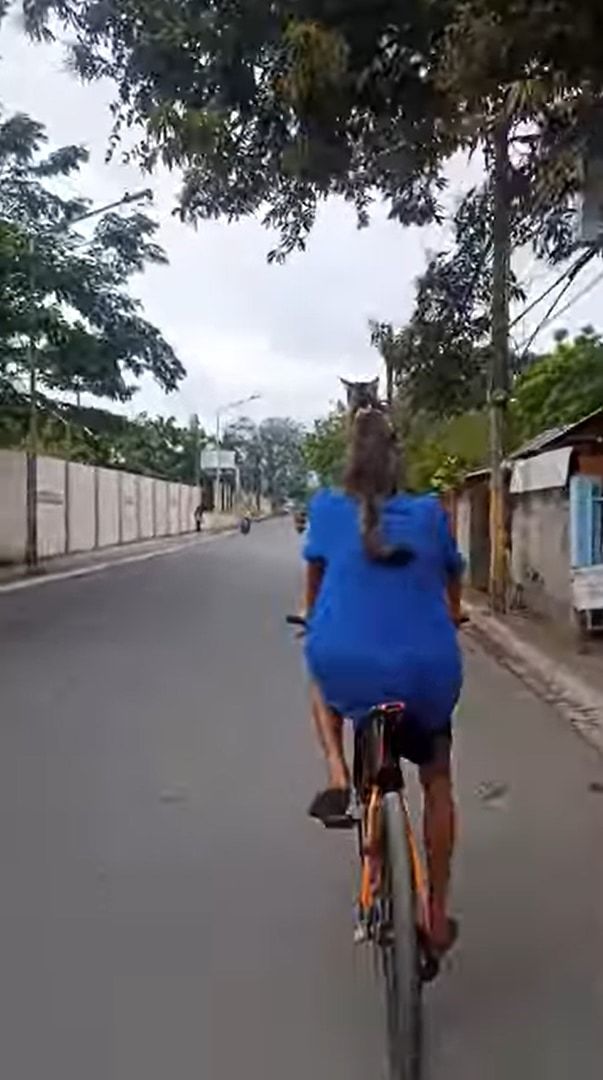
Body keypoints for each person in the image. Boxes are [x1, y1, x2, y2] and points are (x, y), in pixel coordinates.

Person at [301, 407, 463, 955]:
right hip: (427, 674)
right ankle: (435, 914)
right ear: (399, 458)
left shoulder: (325, 508)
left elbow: (314, 596)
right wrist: (454, 618)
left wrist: (315, 630)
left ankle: (336, 770)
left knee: (318, 674)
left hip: (346, 665)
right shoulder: (431, 513)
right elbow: (452, 589)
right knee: (437, 782)